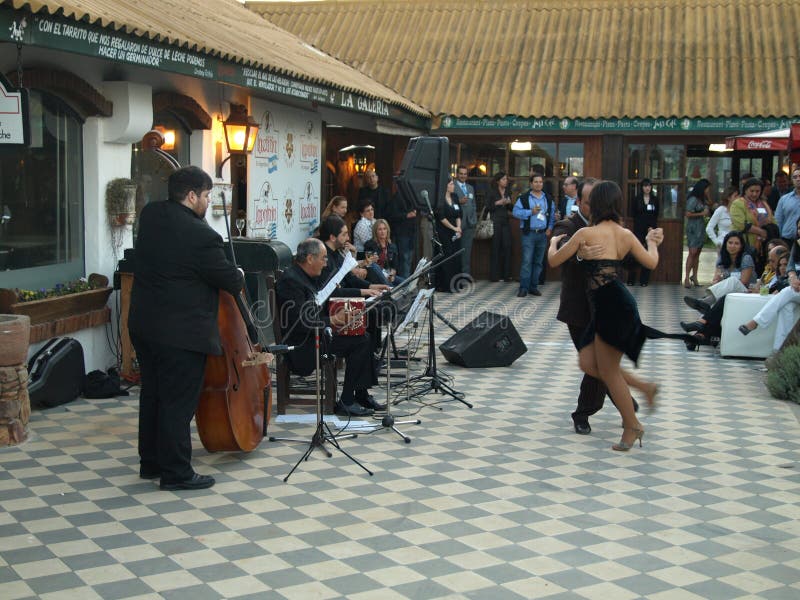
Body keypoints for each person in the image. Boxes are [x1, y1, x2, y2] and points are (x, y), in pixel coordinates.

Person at [129, 166, 245, 491]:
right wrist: (237, 272)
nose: (208, 202)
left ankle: (150, 462)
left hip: (144, 324)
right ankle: (176, 472)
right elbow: (228, 279)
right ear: (192, 196)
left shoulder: (151, 215)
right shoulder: (202, 235)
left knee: (152, 394)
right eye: (206, 196)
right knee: (177, 402)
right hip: (180, 333)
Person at [548, 181, 684, 452]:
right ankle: (644, 388)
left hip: (610, 307)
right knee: (588, 363)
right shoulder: (625, 234)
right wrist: (652, 242)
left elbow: (553, 261)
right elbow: (651, 263)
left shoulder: (585, 233)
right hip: (616, 304)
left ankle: (631, 425)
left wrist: (553, 243)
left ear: (595, 204)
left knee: (607, 371)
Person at [553, 177, 641, 435]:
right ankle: (589, 412)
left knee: (602, 365)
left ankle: (617, 405)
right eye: (591, 203)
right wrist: (580, 254)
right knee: (597, 365)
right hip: (579, 310)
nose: (597, 207)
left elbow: (631, 263)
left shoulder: (614, 228)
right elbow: (559, 247)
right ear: (579, 201)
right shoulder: (568, 225)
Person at [276, 238, 380, 417]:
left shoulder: (306, 277)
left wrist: (361, 295)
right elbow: (300, 323)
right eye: (323, 259)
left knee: (363, 332)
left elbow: (331, 294)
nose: (325, 264)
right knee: (360, 342)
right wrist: (332, 319)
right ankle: (347, 401)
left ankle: (360, 394)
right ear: (310, 258)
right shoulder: (291, 282)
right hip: (306, 350)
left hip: (319, 340)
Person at [739, 217, 800, 350]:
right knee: (786, 307)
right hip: (797, 288)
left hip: (794, 290)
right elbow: (790, 267)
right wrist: (793, 277)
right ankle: (778, 353)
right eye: (799, 228)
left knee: (788, 291)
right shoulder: (798, 244)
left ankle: (755, 322)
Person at [513, 173, 555, 297]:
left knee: (538, 262)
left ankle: (533, 286)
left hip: (542, 234)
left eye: (540, 182)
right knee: (527, 261)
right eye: (536, 182)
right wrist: (530, 212)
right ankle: (524, 288)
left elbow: (552, 215)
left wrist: (550, 228)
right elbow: (516, 212)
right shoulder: (524, 198)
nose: (538, 184)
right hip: (529, 234)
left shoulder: (547, 198)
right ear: (531, 184)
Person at [730, 177, 776, 274]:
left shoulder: (764, 204)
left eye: (757, 191)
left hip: (763, 246)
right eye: (752, 191)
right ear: (745, 190)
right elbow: (741, 224)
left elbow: (772, 220)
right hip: (745, 244)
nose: (755, 194)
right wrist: (762, 232)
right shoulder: (738, 203)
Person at [628, 178, 660, 286]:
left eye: (649, 186)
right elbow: (633, 213)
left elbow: (656, 215)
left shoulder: (655, 199)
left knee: (648, 253)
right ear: (642, 187)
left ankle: (644, 281)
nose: (647, 188)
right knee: (635, 253)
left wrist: (651, 227)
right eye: (645, 186)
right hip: (638, 229)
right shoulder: (637, 199)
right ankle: (631, 280)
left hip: (651, 229)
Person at [435, 179, 463, 292]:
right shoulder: (439, 199)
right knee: (447, 257)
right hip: (444, 231)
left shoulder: (455, 197)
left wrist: (459, 228)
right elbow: (441, 218)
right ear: (445, 186)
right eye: (451, 184)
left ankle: (456, 284)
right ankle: (446, 285)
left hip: (455, 231)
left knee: (456, 256)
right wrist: (454, 228)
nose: (453, 186)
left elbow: (458, 214)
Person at [486, 171, 513, 282]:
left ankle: (506, 275)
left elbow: (511, 208)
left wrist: (508, 203)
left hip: (505, 221)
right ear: (498, 181)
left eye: (506, 179)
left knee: (507, 246)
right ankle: (494, 276)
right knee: (495, 247)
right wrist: (498, 203)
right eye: (503, 179)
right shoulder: (492, 192)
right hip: (495, 221)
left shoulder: (508, 192)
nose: (505, 181)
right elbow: (488, 207)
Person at [684, 178, 710, 288]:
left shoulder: (703, 199)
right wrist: (701, 214)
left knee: (698, 253)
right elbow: (688, 213)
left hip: (701, 228)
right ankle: (686, 278)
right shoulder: (693, 199)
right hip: (693, 228)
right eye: (707, 188)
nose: (708, 191)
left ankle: (694, 276)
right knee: (692, 252)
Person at [363, 219, 405, 286]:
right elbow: (369, 265)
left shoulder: (392, 246)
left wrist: (391, 275)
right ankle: (391, 290)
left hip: (388, 275)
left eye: (384, 229)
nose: (382, 232)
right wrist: (372, 259)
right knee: (392, 287)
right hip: (375, 277)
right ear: (375, 231)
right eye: (380, 229)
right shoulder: (369, 245)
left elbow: (394, 267)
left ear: (387, 230)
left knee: (406, 283)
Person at [453, 165, 476, 277]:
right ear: (457, 174)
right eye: (461, 173)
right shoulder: (453, 186)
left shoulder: (470, 188)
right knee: (457, 250)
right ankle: (457, 275)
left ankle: (466, 276)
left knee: (467, 251)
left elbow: (474, 205)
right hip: (457, 224)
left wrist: (474, 219)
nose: (463, 176)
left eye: (465, 174)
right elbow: (449, 203)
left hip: (469, 223)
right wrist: (458, 201)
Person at [774, 167, 800, 248]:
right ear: (791, 180)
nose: (798, 179)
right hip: (787, 240)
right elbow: (778, 221)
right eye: (795, 177)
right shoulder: (784, 199)